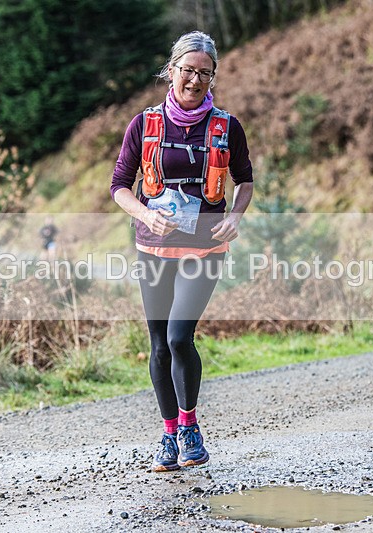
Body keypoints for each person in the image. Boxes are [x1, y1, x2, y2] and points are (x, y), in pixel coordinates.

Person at [110, 31, 253, 472]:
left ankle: (190, 427)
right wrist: (145, 214)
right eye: (187, 70)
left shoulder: (226, 126)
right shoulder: (144, 124)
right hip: (153, 246)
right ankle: (169, 435)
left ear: (212, 78)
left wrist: (236, 216)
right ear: (171, 70)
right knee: (157, 344)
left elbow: (244, 180)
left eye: (204, 73)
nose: (194, 80)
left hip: (205, 246)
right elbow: (119, 186)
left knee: (178, 337)